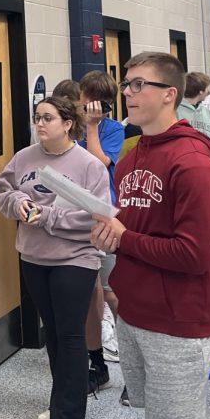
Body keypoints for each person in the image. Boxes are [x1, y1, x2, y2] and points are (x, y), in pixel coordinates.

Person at [89, 52, 210, 419]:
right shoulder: (132, 160)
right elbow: (133, 233)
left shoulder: (193, 161)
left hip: (177, 320)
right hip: (135, 312)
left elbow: (192, 254)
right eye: (125, 85)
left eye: (137, 85)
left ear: (169, 94)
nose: (127, 94)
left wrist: (124, 239)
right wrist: (108, 235)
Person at [0, 95, 110, 419]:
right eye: (37, 118)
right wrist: (19, 204)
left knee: (71, 334)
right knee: (55, 335)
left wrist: (46, 216)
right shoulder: (24, 157)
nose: (40, 124)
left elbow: (99, 216)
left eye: (47, 118)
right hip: (34, 257)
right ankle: (61, 404)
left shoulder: (89, 166)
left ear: (67, 123)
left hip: (76, 258)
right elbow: (2, 192)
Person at [77, 70, 126, 387]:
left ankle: (127, 346)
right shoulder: (71, 126)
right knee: (89, 288)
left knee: (111, 288)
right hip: (74, 215)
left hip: (103, 214)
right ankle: (96, 359)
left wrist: (93, 127)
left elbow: (99, 164)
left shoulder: (111, 130)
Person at [177, 72, 210, 158]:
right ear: (201, 91)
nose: (208, 91)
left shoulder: (206, 112)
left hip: (206, 162)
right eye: (206, 88)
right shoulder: (175, 111)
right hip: (183, 162)